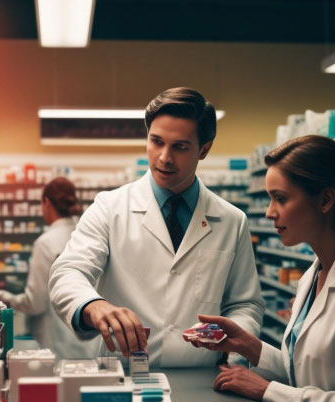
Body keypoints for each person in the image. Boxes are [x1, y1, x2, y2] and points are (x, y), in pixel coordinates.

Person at [189, 135, 335, 402]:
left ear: (325, 200)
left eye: (280, 198)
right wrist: (247, 345)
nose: (269, 212)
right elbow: (305, 374)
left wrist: (267, 390)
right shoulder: (313, 277)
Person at [49, 87, 264, 367]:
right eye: (156, 141)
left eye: (180, 146)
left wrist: (235, 351)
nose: (164, 157)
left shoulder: (231, 221)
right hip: (123, 375)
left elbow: (245, 303)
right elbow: (68, 271)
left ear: (204, 149)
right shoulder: (109, 207)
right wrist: (93, 305)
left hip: (202, 378)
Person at [0, 177, 98, 360]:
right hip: (89, 338)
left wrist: (4, 297)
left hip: (56, 343)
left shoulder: (45, 243)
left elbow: (35, 304)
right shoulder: (87, 236)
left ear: (46, 202)